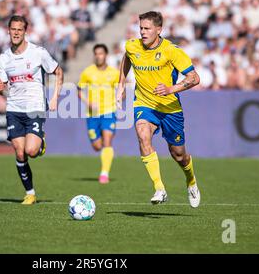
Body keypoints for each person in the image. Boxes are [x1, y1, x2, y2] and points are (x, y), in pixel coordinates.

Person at [116, 11, 201, 207]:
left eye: (147, 29)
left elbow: (195, 78)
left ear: (158, 29)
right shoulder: (132, 46)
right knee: (142, 134)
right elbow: (127, 59)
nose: (143, 32)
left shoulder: (172, 51)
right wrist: (121, 85)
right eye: (141, 28)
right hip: (144, 103)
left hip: (170, 108)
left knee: (178, 154)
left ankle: (191, 180)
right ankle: (159, 188)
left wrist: (172, 88)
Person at [0, 15, 63, 205]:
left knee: (31, 150)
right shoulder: (4, 59)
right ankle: (30, 193)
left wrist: (56, 96)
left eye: (20, 30)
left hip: (35, 107)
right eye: (13, 29)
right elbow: (5, 90)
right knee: (19, 153)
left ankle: (40, 143)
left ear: (25, 32)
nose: (16, 33)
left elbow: (58, 71)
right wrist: (1, 91)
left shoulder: (38, 53)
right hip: (14, 109)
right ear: (8, 31)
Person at [77, 44, 120, 184]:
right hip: (92, 114)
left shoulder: (114, 73)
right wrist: (87, 102)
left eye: (101, 53)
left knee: (107, 142)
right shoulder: (88, 72)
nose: (98, 56)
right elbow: (79, 90)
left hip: (109, 111)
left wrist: (120, 98)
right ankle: (104, 154)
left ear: (106, 55)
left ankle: (104, 173)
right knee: (97, 146)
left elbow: (122, 90)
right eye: (96, 53)